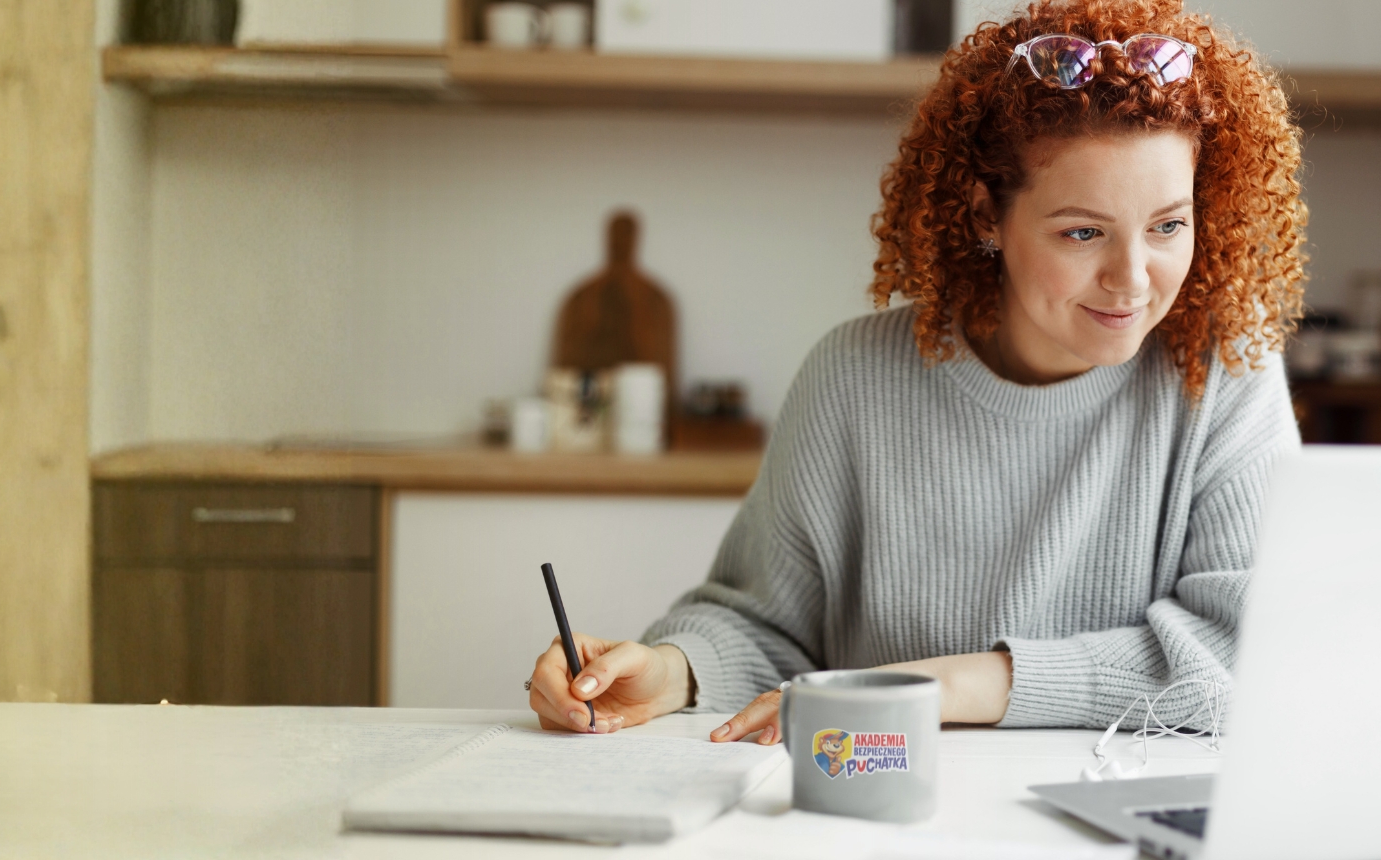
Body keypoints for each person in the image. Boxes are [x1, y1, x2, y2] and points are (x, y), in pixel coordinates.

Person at [526, 0, 1305, 743]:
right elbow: (764, 622)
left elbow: (1253, 650)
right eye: (1081, 233)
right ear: (982, 216)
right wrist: (674, 670)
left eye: (1169, 225)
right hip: (882, 800)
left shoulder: (1227, 373)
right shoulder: (853, 378)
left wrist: (956, 687)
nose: (1133, 278)